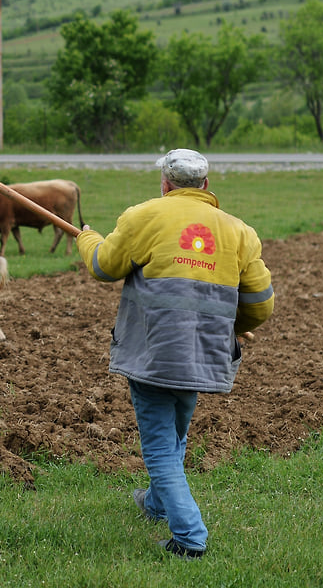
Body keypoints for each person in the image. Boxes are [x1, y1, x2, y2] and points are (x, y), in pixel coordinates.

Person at [75, 148, 274, 559]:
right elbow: (261, 304)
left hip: (153, 353)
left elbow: (102, 266)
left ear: (165, 184)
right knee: (176, 434)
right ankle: (155, 504)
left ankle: (190, 537)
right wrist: (232, 328)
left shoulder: (143, 216)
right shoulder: (239, 232)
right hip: (205, 355)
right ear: (205, 185)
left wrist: (86, 237)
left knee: (161, 448)